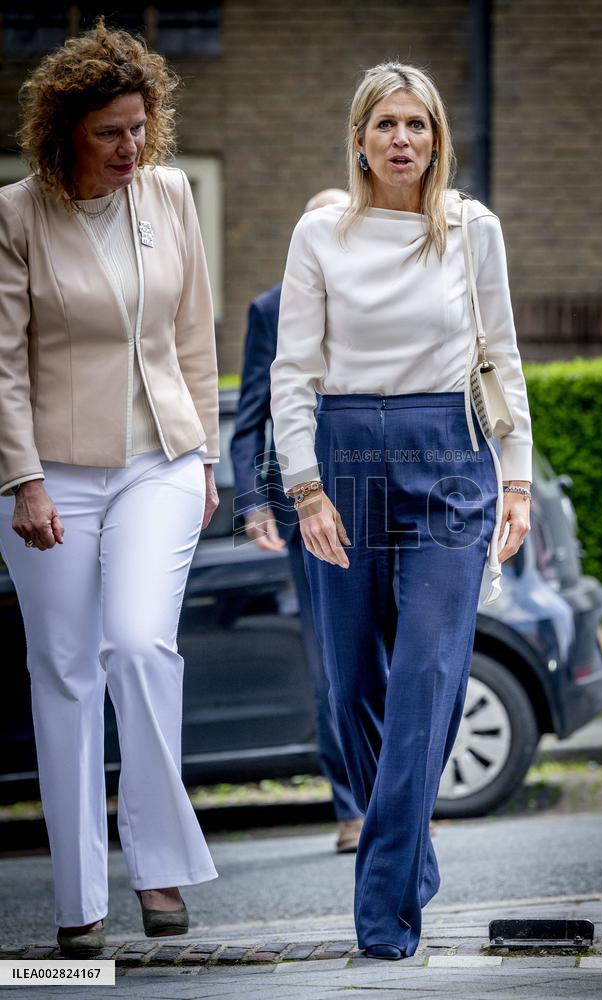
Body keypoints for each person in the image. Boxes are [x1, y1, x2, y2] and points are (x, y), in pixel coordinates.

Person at [270, 62, 533, 959]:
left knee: (427, 672)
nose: (402, 139)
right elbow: (293, 372)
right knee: (352, 689)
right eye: (385, 123)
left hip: (450, 462)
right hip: (346, 462)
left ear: (437, 139)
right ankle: (410, 857)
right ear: (358, 138)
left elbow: (502, 354)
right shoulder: (320, 234)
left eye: (417, 124)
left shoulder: (473, 229)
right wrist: (305, 488)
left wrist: (517, 480)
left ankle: (383, 910)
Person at [0, 20, 220, 957]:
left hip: (159, 460)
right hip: (50, 476)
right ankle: (79, 903)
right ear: (66, 132)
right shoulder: (16, 215)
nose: (130, 147)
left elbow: (196, 333)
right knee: (64, 675)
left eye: (139, 127)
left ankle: (159, 866)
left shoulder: (169, 195)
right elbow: (3, 366)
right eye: (109, 133)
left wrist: (205, 458)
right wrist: (23, 480)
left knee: (137, 644)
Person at [230, 188, 365, 854]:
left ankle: (399, 802)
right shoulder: (271, 308)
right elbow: (250, 417)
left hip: (386, 499)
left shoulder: (383, 291)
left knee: (394, 655)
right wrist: (253, 502)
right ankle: (354, 808)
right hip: (310, 513)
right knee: (331, 666)